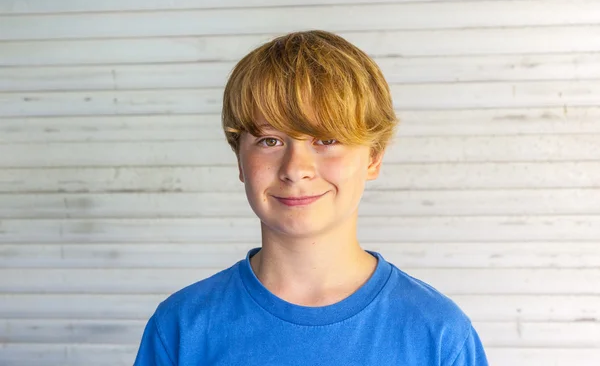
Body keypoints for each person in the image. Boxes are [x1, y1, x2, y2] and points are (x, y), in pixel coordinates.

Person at [133, 30, 488, 365]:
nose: (295, 168)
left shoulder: (438, 334)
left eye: (327, 140)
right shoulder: (181, 328)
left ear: (374, 157)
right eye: (269, 140)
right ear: (239, 159)